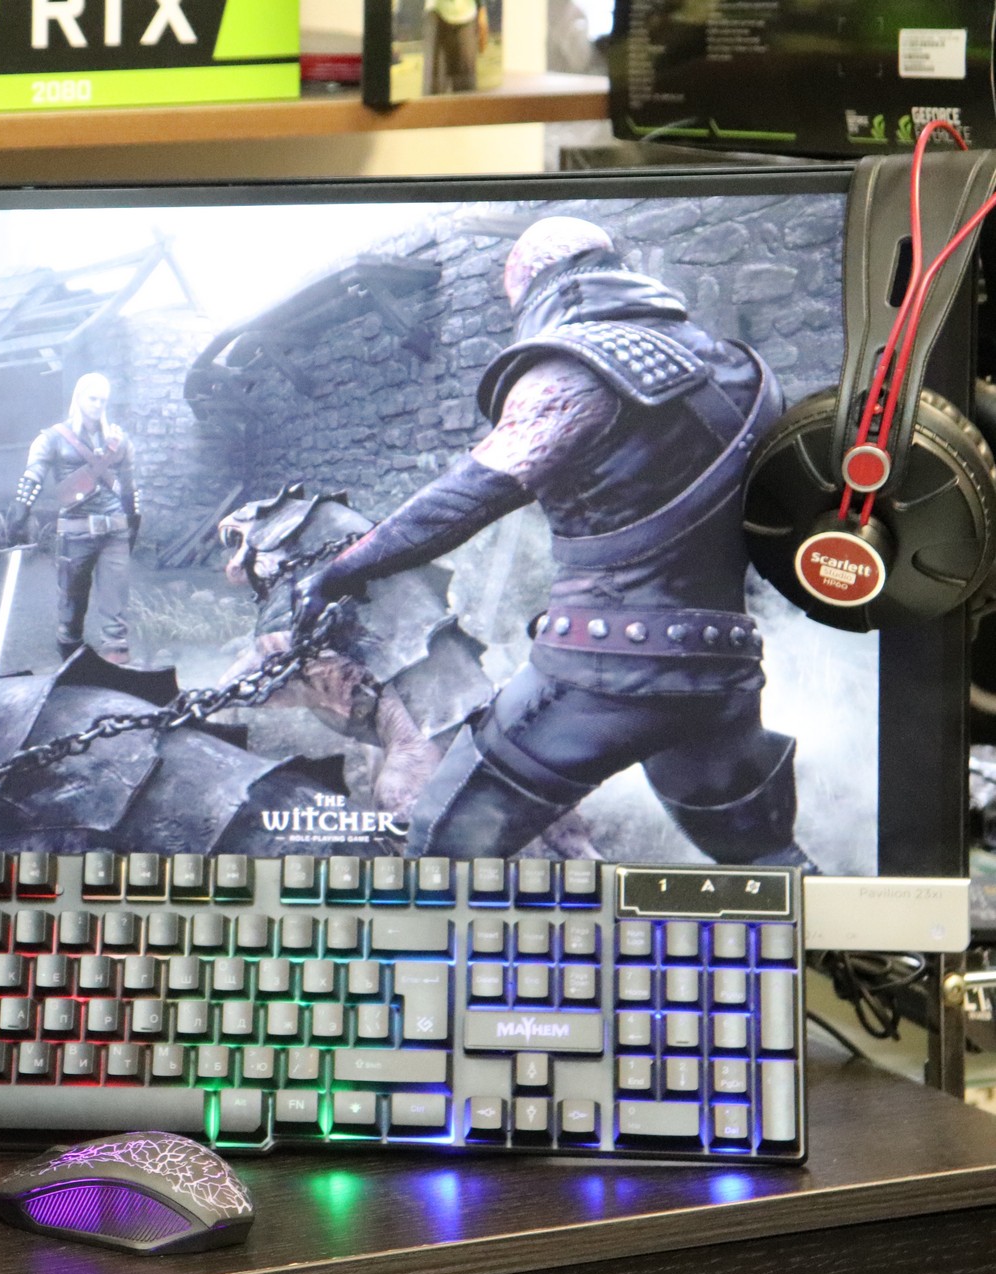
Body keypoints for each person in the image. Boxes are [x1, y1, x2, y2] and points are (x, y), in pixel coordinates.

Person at [292, 216, 812, 867]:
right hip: (722, 668)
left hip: (600, 674)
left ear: (532, 286)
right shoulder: (743, 370)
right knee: (767, 861)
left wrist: (339, 572)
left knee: (444, 846)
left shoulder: (576, 366)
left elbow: (459, 501)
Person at [6, 373, 141, 663]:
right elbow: (34, 473)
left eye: (103, 400)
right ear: (79, 397)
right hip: (75, 531)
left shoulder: (118, 440)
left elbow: (129, 485)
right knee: (71, 610)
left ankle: (116, 671)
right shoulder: (53, 438)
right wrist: (21, 507)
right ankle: (73, 670)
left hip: (114, 531)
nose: (98, 405)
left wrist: (134, 519)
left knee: (116, 616)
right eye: (92, 398)